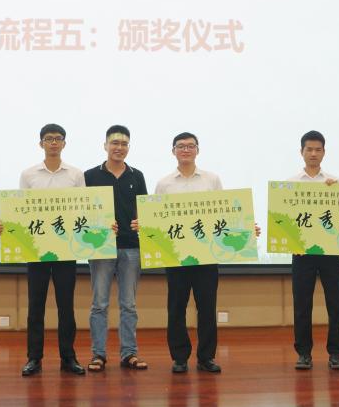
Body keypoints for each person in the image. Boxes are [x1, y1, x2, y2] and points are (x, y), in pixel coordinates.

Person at [148, 132, 224, 374]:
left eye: (191, 146)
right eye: (181, 146)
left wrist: (243, 228)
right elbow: (156, 218)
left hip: (206, 256)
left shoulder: (212, 180)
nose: (186, 150)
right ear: (173, 151)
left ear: (197, 150)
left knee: (207, 308)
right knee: (176, 308)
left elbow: (223, 214)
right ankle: (179, 357)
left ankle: (206, 357)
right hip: (176, 257)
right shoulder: (165, 184)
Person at [15, 123, 86, 376]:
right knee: (36, 306)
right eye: (48, 138)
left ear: (64, 143)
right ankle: (34, 358)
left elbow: (84, 209)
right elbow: (20, 210)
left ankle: (68, 357)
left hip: (66, 249)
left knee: (66, 306)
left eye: (58, 138)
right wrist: (10, 226)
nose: (53, 142)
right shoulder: (29, 174)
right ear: (41, 143)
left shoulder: (76, 175)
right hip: (37, 249)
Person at [84, 125, 148, 372]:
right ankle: (98, 354)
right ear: (105, 145)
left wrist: (143, 221)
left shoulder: (137, 176)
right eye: (115, 143)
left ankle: (129, 353)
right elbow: (81, 213)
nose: (119, 148)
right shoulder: (90, 176)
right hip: (101, 248)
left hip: (131, 247)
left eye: (124, 144)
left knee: (129, 305)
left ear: (128, 147)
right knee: (99, 304)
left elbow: (144, 210)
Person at [289, 130, 339, 371]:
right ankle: (304, 353)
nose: (313, 153)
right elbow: (286, 220)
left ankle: (336, 354)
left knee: (335, 303)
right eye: (309, 149)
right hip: (302, 253)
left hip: (331, 252)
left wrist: (336, 193)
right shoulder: (291, 184)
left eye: (318, 149)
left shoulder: (335, 181)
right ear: (301, 152)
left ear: (324, 152)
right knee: (302, 305)